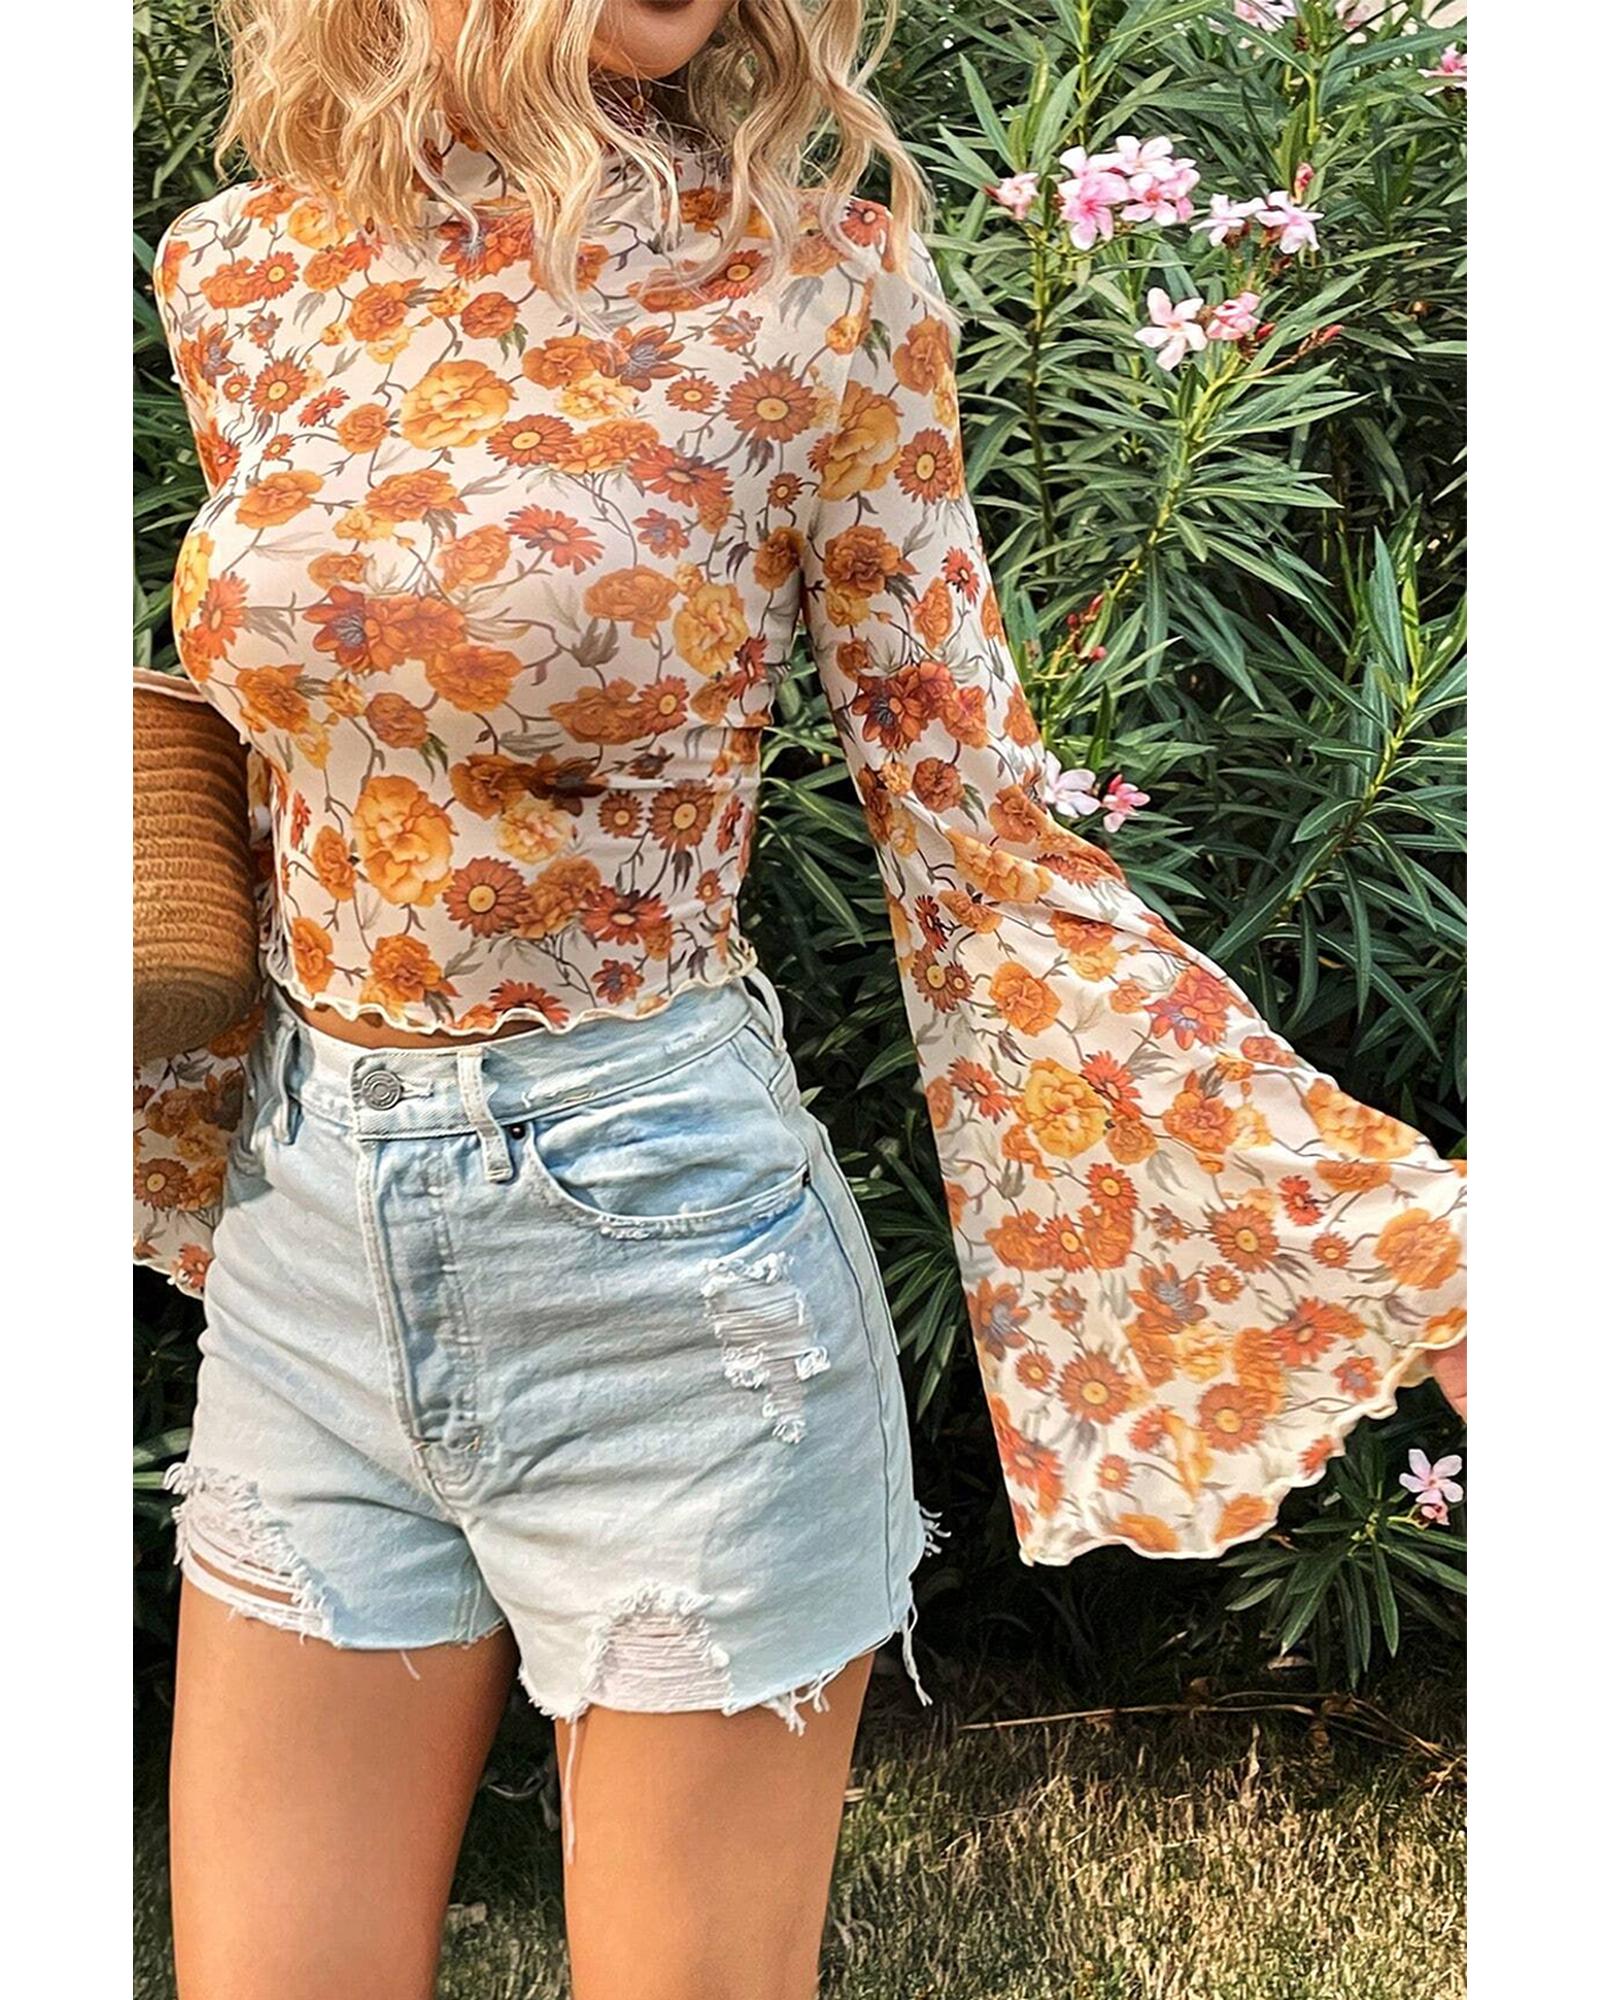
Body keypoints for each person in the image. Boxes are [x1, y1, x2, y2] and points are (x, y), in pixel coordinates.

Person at [133, 2, 1467, 1994]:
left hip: (671, 1272)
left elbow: (977, 842)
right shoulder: (245, 268)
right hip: (307, 1251)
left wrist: (1414, 1243)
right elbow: (293, 726)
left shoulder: (819, 291)